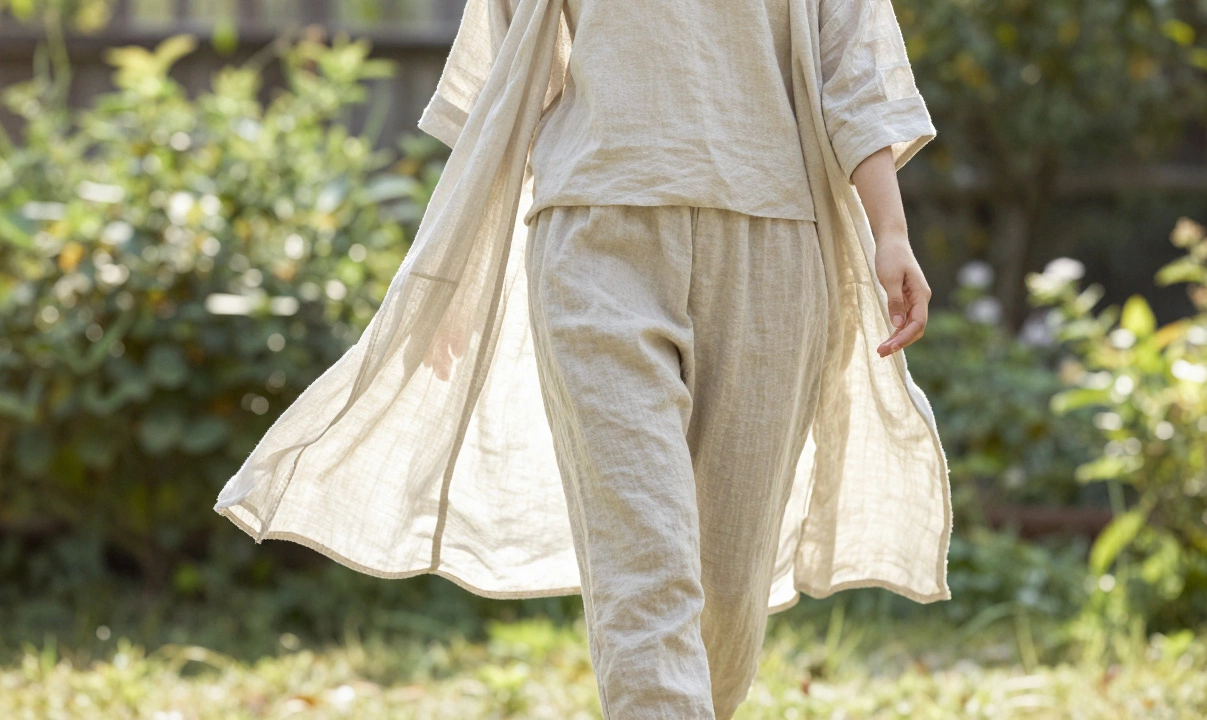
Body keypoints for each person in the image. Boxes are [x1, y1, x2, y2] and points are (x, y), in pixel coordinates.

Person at [214, 0, 952, 717]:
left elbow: (854, 66)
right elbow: (504, 89)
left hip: (774, 245)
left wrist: (889, 230)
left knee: (726, 597)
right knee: (647, 576)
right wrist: (462, 282)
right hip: (595, 241)